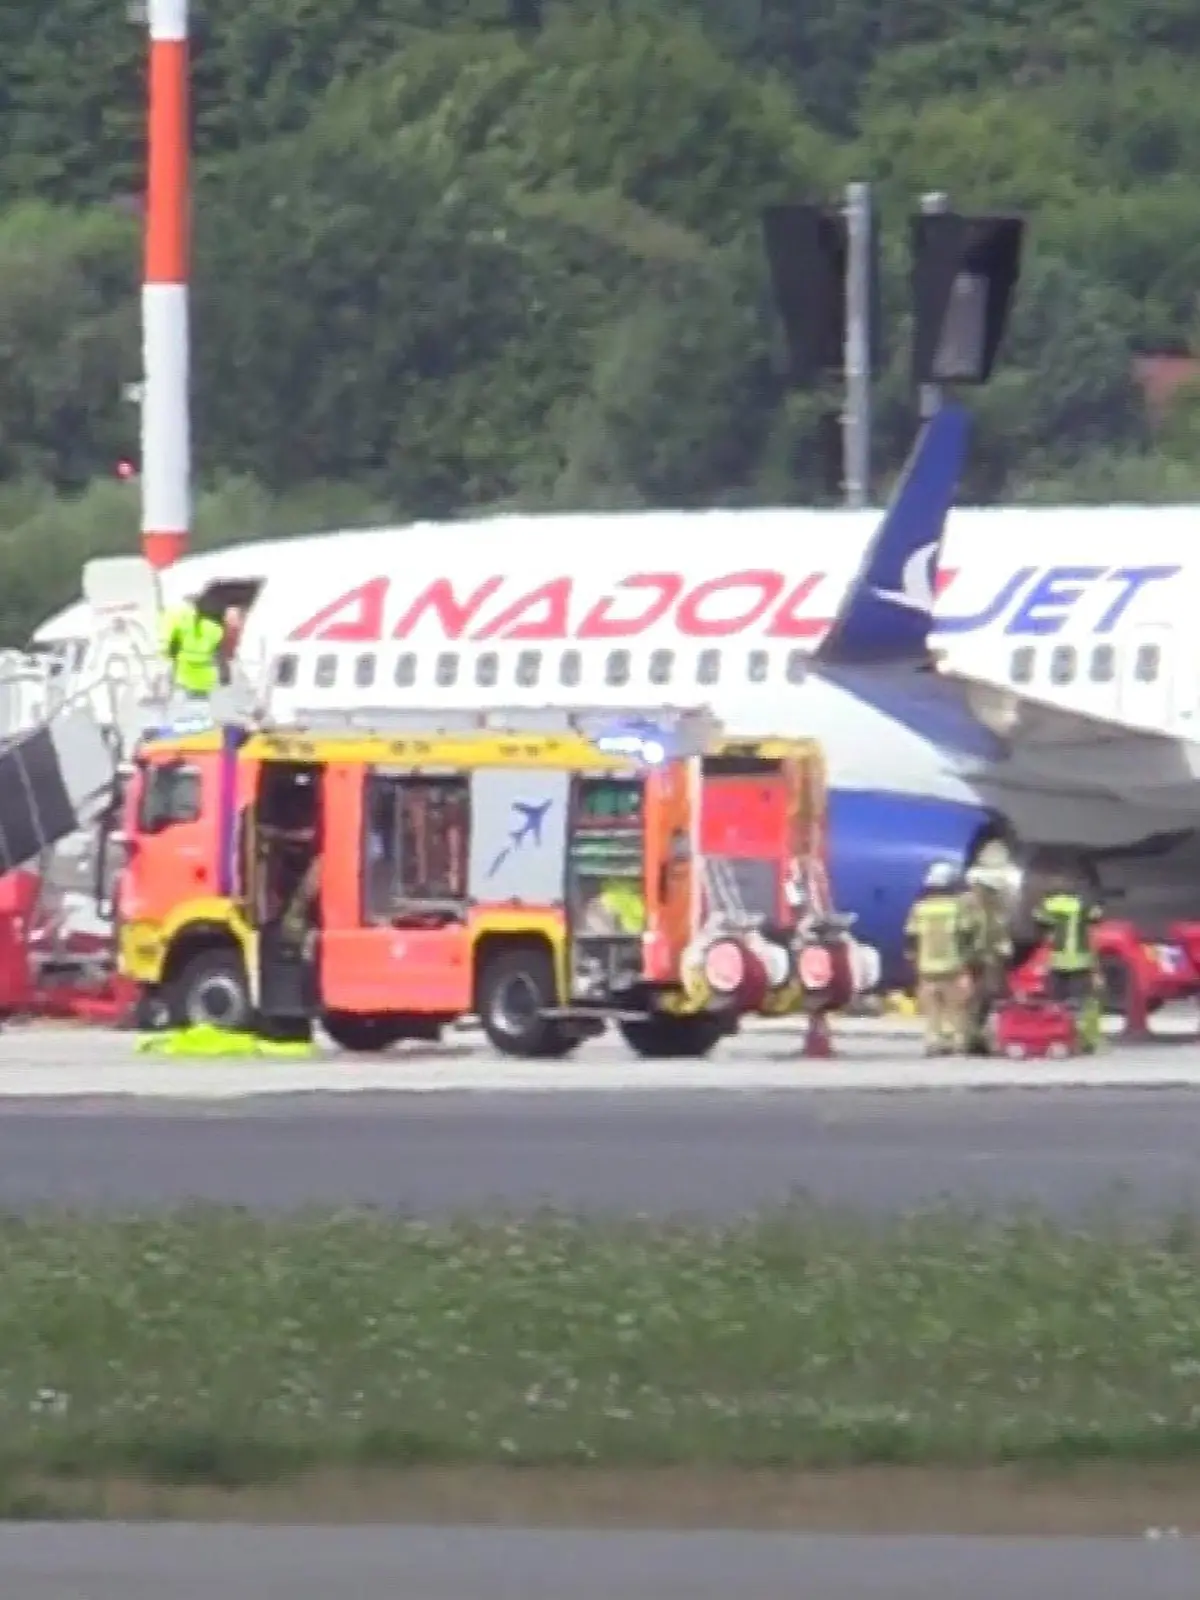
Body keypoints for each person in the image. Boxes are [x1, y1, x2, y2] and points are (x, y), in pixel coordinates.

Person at [904, 861, 969, 1055]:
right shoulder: (957, 907)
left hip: (927, 964)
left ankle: (933, 1040)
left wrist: (912, 957)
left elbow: (911, 936)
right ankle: (952, 1039)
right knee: (953, 1005)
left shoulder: (920, 908)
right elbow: (964, 932)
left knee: (932, 1007)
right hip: (952, 962)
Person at [1033, 878, 1103, 1051]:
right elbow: (1097, 916)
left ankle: (1055, 1036)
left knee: (1056, 1002)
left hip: (1057, 960)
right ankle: (1081, 1040)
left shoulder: (1050, 904)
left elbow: (1037, 916)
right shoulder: (1083, 905)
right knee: (1080, 1003)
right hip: (1080, 961)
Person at [960, 865, 1014, 1054]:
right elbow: (966, 933)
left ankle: (980, 1038)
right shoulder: (970, 906)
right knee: (979, 999)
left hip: (989, 959)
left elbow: (999, 935)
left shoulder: (993, 909)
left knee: (988, 998)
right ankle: (973, 1040)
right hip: (977, 960)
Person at [159, 593, 224, 698]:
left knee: (186, 705)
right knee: (200, 706)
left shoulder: (181, 625)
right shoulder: (215, 627)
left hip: (183, 676)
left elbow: (172, 653)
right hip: (204, 678)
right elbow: (219, 653)